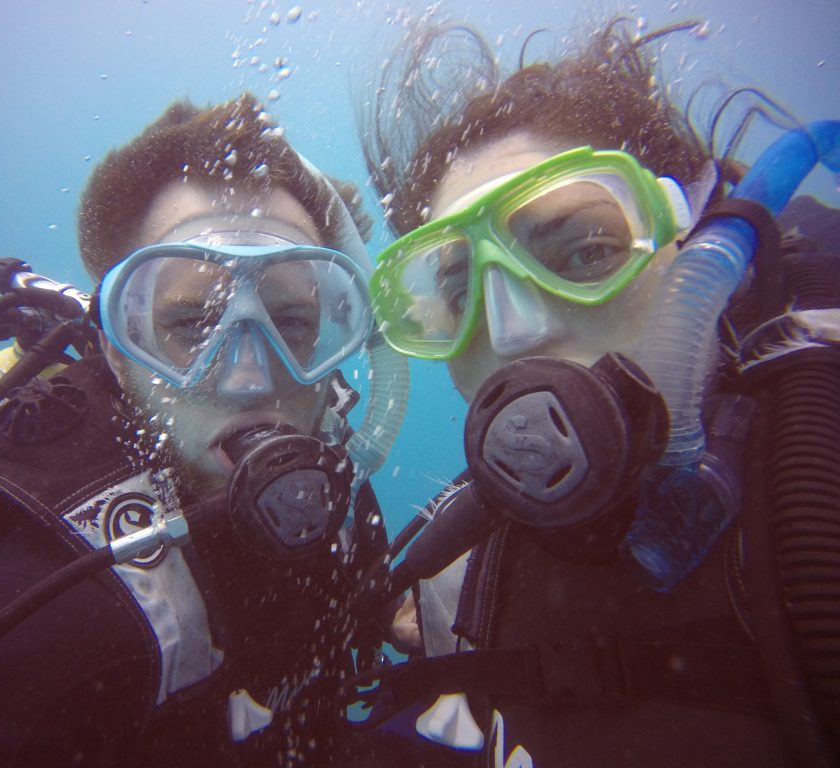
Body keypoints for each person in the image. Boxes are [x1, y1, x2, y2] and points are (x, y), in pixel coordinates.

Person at [0, 92, 408, 767]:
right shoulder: (67, 611)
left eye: (293, 324)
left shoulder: (328, 481)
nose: (251, 378)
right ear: (115, 346)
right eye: (192, 326)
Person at [347, 16, 840, 768]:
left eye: (585, 250)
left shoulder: (818, 465)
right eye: (461, 289)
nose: (513, 333)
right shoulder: (461, 581)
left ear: (699, 254)